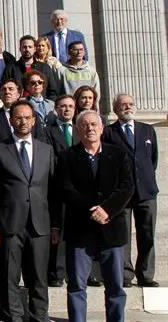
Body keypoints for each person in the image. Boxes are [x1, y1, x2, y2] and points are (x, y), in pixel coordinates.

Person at [57, 110, 133, 322]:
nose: (89, 128)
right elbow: (65, 189)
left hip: (112, 228)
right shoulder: (67, 157)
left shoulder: (118, 155)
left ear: (101, 128)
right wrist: (92, 209)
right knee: (76, 286)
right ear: (78, 129)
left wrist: (106, 209)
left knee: (115, 286)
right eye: (85, 125)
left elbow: (127, 187)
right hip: (80, 230)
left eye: (94, 125)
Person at [0, 101, 59, 322]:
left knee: (39, 277)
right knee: (10, 277)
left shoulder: (46, 150)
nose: (23, 122)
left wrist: (56, 225)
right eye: (18, 117)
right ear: (11, 120)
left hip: (40, 224)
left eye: (27, 117)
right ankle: (14, 317)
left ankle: (39, 317)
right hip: (10, 223)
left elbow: (54, 191)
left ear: (34, 120)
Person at [103, 94, 160, 288]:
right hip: (122, 193)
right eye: (122, 105)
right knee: (123, 234)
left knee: (147, 234)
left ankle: (146, 274)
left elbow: (153, 159)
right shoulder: (109, 132)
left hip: (146, 191)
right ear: (115, 109)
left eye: (130, 104)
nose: (127, 107)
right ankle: (125, 275)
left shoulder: (147, 130)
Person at [44, 95, 78, 287]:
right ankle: (56, 272)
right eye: (63, 106)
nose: (67, 110)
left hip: (80, 188)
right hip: (57, 186)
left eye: (71, 106)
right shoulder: (47, 131)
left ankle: (84, 272)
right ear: (56, 108)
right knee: (58, 231)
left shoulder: (81, 129)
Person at [2, 35, 60, 100]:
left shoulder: (44, 68)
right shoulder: (11, 68)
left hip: (41, 106)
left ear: (34, 49)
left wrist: (48, 105)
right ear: (20, 49)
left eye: (30, 47)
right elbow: (4, 89)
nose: (27, 49)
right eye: (24, 47)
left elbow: (53, 91)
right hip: (18, 105)